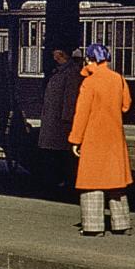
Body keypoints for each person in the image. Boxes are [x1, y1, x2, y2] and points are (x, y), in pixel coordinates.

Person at [68, 42, 133, 235]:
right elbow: (126, 106)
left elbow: (82, 114)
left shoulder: (89, 82)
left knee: (92, 183)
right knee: (115, 182)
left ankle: (93, 227)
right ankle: (121, 224)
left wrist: (75, 139)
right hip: (114, 137)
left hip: (93, 137)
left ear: (89, 59)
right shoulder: (118, 79)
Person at [35, 46, 82, 188]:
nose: (53, 56)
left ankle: (63, 180)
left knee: (62, 154)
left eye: (55, 53)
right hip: (52, 119)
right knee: (52, 153)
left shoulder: (71, 72)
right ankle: (54, 179)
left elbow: (70, 97)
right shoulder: (58, 72)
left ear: (61, 54)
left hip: (60, 123)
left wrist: (67, 119)